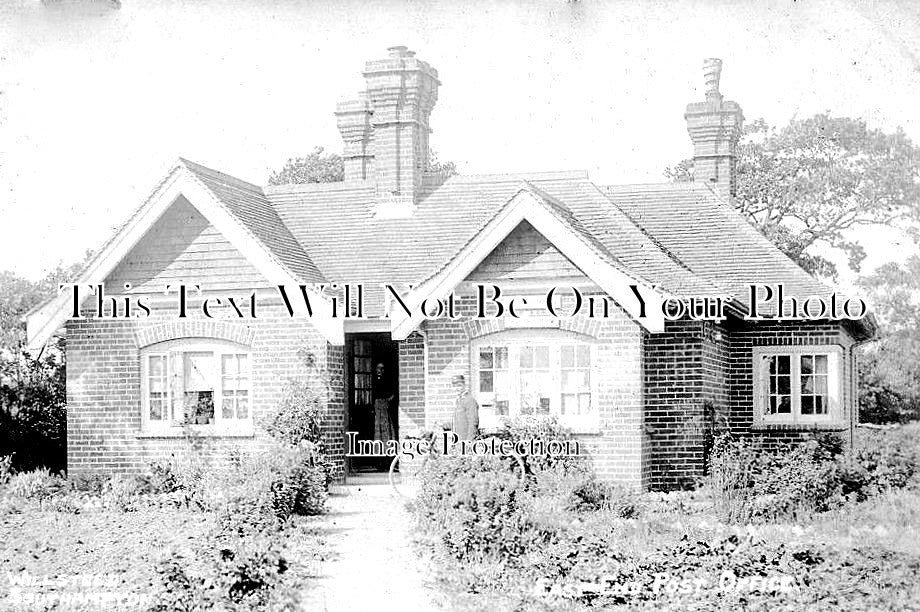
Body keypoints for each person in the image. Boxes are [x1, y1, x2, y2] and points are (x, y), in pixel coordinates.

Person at [372, 362, 396, 443]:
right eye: (378, 368)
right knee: (378, 425)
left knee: (386, 425)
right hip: (377, 405)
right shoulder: (373, 380)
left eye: (382, 368)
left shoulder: (387, 380)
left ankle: (387, 446)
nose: (380, 370)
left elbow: (392, 393)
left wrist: (388, 399)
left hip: (385, 405)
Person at [451, 374, 479, 440]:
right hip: (458, 440)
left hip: (465, 441)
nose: (457, 388)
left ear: (464, 385)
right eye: (454, 386)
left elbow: (473, 423)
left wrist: (469, 441)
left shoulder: (470, 400)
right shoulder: (459, 401)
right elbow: (460, 422)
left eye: (459, 385)